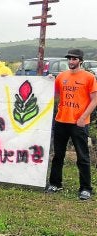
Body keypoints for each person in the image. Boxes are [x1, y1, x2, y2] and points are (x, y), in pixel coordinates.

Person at [46, 49, 97, 201]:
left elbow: (95, 99)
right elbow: (52, 93)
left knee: (82, 157)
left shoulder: (89, 77)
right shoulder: (61, 76)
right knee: (58, 155)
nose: (71, 62)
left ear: (80, 60)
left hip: (79, 123)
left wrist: (83, 117)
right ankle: (55, 183)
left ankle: (86, 188)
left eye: (74, 59)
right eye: (69, 59)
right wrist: (48, 79)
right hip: (61, 121)